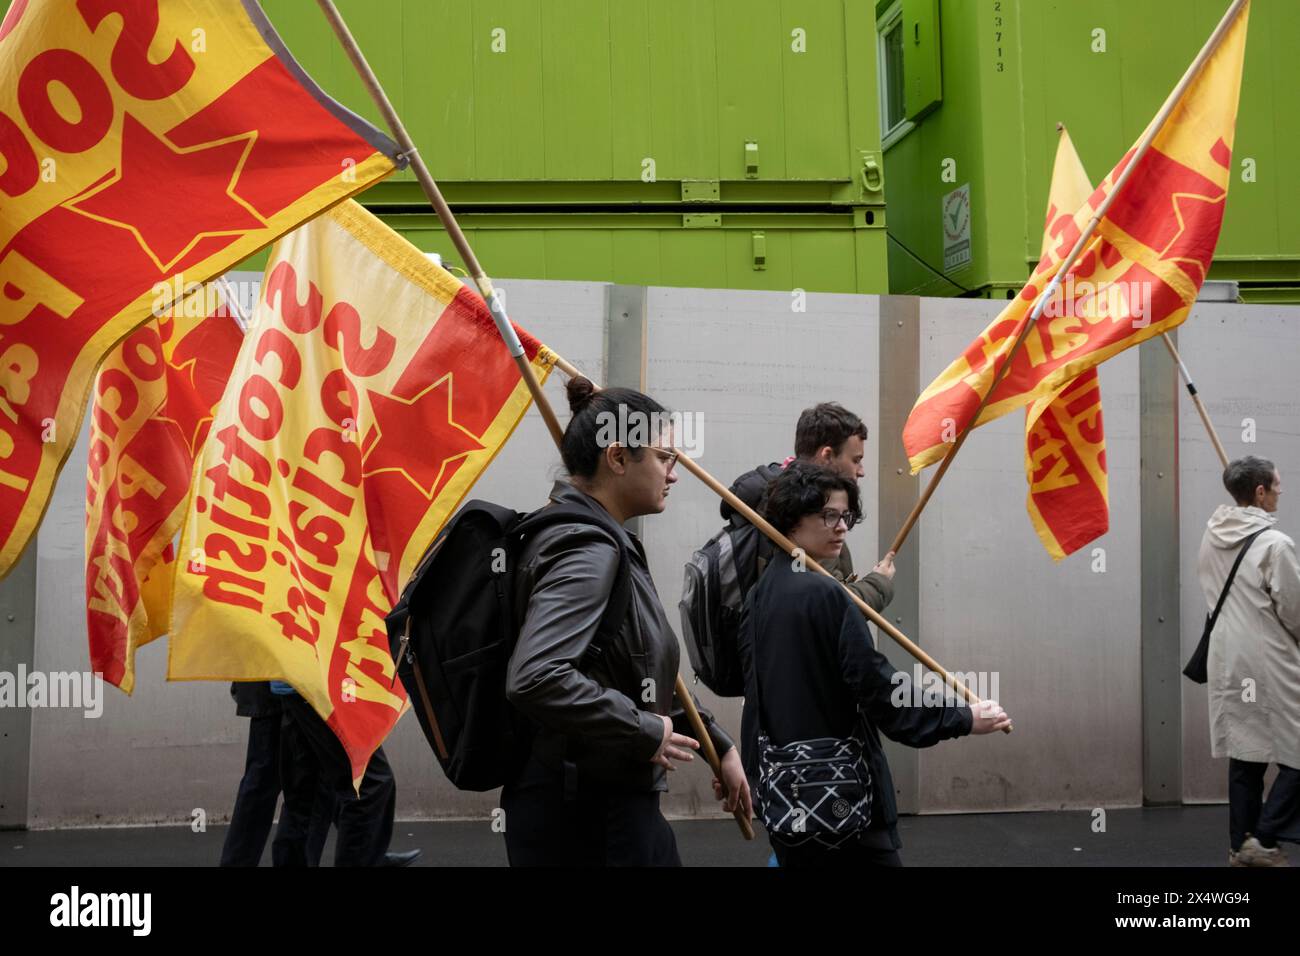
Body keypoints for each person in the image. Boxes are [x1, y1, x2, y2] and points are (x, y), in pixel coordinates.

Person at [502, 376, 752, 866]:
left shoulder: (595, 538)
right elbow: (536, 677)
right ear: (617, 458)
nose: (675, 474)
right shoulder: (586, 549)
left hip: (598, 801)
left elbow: (636, 671)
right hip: (590, 816)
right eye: (665, 458)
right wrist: (642, 730)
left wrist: (715, 744)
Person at [738, 462, 1011, 866]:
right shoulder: (829, 596)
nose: (842, 527)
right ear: (792, 519)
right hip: (845, 804)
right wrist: (963, 717)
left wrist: (752, 775)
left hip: (785, 802)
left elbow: (755, 705)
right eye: (828, 514)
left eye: (846, 515)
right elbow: (882, 693)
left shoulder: (759, 597)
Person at [1198, 456, 1300, 867]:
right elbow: (1294, 610)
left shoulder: (1211, 537)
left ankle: (1240, 845)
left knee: (1247, 754)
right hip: (1270, 659)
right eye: (1276, 485)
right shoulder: (1275, 544)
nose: (1280, 490)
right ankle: (1265, 836)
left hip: (1227, 659)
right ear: (1259, 491)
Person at [724, 402, 896, 613]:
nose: (861, 471)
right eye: (855, 460)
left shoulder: (781, 498)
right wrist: (879, 583)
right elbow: (831, 606)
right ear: (826, 455)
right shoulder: (801, 512)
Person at [269, 681, 421, 867]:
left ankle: (373, 853)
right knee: (369, 786)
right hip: (325, 684)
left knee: (306, 798)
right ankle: (370, 855)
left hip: (300, 683)